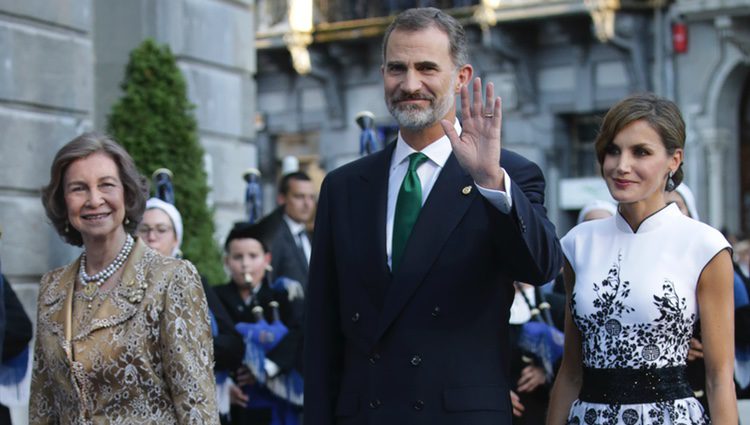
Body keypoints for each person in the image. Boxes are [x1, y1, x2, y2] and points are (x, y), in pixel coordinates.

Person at [304, 7, 562, 425]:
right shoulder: (344, 186)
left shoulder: (506, 174)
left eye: (427, 68)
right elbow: (321, 332)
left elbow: (540, 266)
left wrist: (490, 182)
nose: (410, 84)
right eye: (396, 68)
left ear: (461, 77)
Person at [548, 93, 737, 424]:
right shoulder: (578, 244)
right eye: (613, 150)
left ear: (673, 160)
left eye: (641, 152)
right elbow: (571, 372)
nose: (622, 166)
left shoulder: (705, 246)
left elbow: (719, 378)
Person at [32, 132, 219, 423]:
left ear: (127, 193)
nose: (94, 200)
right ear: (62, 200)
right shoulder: (52, 287)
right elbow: (43, 404)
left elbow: (197, 405)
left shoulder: (171, 279)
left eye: (106, 185)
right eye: (79, 188)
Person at [138, 197, 244, 423]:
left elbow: (233, 344)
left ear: (176, 238)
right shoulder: (121, 284)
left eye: (161, 229)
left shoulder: (194, 281)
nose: (152, 237)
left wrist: (188, 344)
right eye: (144, 229)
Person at [214, 223, 304, 425]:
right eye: (238, 257)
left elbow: (300, 334)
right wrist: (224, 384)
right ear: (227, 262)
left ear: (267, 259)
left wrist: (265, 368)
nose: (245, 264)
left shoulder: (284, 295)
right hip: (232, 402)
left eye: (253, 256)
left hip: (276, 402)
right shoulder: (216, 296)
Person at [258, 172, 316, 292]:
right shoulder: (273, 235)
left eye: (311, 197)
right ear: (282, 199)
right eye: (299, 196)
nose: (307, 204)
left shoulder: (309, 234)